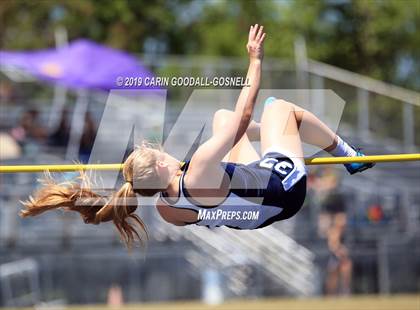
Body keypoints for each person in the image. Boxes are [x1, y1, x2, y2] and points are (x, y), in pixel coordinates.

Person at [20, 25, 374, 248]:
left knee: (222, 120)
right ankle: (349, 155)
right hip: (286, 190)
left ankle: (275, 136)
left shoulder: (165, 209)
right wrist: (255, 60)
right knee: (280, 109)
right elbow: (244, 113)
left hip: (262, 207)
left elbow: (220, 169)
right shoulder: (200, 165)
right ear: (159, 161)